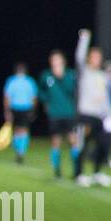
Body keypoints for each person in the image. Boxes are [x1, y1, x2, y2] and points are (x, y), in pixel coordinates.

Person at [74, 29, 111, 186]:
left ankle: (97, 172)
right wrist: (84, 39)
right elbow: (79, 57)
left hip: (99, 115)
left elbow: (105, 98)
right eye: (94, 57)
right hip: (86, 114)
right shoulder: (85, 72)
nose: (97, 60)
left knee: (103, 143)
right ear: (89, 58)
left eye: (99, 57)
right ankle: (79, 174)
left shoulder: (102, 76)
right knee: (83, 144)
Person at [38, 50, 79, 179]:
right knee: (56, 141)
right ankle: (57, 169)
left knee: (73, 140)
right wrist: (46, 101)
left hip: (69, 112)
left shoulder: (70, 75)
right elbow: (40, 91)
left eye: (58, 60)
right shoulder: (46, 75)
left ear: (63, 62)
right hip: (54, 114)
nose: (55, 63)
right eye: (53, 60)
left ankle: (76, 170)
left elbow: (73, 91)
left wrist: (61, 77)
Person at [2, 63, 38, 164]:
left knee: (17, 130)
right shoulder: (29, 81)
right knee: (24, 130)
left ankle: (18, 150)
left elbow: (7, 97)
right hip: (25, 108)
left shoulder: (12, 80)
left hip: (15, 108)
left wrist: (7, 111)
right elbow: (34, 98)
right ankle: (21, 151)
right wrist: (33, 110)